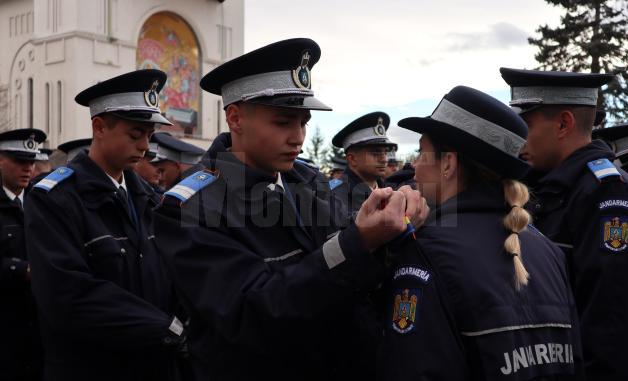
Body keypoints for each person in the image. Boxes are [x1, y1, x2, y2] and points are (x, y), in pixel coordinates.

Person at [153, 38, 428, 381]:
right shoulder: (189, 207)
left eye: (304, 123)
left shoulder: (311, 182)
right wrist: (357, 242)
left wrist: (392, 231)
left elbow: (358, 285)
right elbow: (253, 312)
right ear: (235, 118)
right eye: (283, 122)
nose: (298, 137)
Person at [379, 85, 583, 380]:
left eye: (422, 152)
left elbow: (412, 366)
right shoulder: (547, 249)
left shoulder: (425, 252)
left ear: (448, 162)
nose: (414, 167)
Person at [24, 69, 189, 381]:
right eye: (134, 134)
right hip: (93, 366)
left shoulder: (151, 199)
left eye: (149, 135)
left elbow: (174, 272)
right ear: (99, 127)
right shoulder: (55, 198)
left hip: (154, 364)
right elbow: (67, 293)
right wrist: (164, 328)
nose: (145, 147)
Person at [501, 67, 628, 380]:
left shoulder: (606, 194)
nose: (516, 138)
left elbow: (612, 325)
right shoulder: (548, 187)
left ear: (563, 123)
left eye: (525, 124)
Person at [0, 128, 46, 381]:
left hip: (38, 322)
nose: (28, 168)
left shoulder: (42, 202)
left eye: (31, 161)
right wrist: (20, 270)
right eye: (19, 161)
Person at [331, 111, 397, 214]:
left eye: (386, 152)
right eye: (376, 153)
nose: (384, 159)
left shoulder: (390, 191)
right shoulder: (332, 195)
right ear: (352, 159)